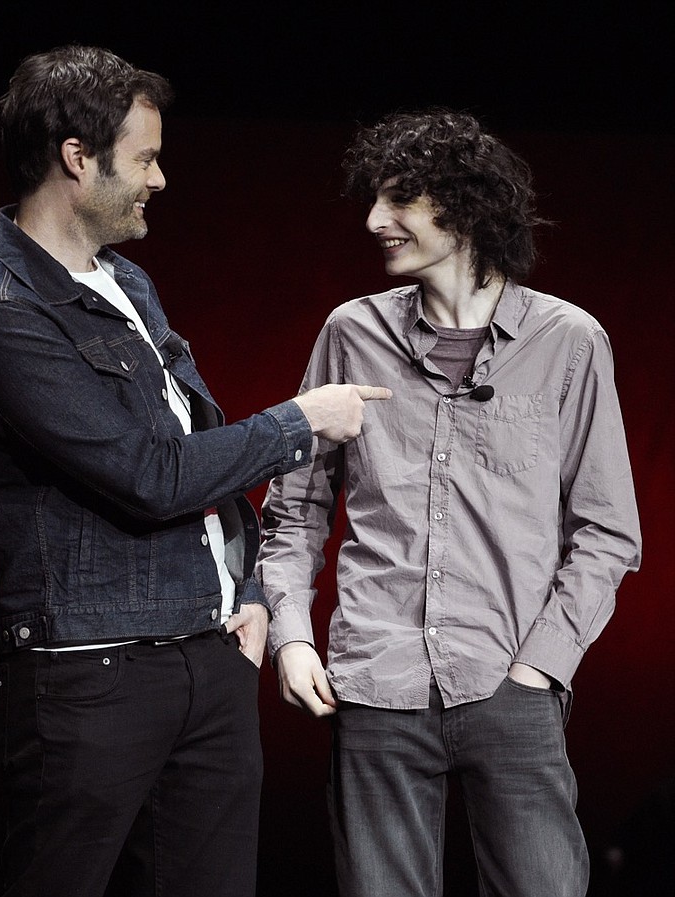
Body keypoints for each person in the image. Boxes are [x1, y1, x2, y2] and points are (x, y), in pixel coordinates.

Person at [0, 44, 390, 897]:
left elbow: (198, 436)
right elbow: (150, 474)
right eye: (143, 156)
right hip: (90, 677)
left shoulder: (128, 283)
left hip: (207, 655)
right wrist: (303, 420)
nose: (160, 177)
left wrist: (247, 587)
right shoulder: (3, 316)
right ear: (79, 158)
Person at [256, 109, 642, 896]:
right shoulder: (350, 332)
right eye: (374, 200)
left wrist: (543, 663)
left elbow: (606, 531)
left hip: (511, 681)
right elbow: (294, 509)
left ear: (464, 207)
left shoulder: (569, 341)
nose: (374, 221)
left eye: (399, 199)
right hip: (375, 684)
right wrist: (291, 638)